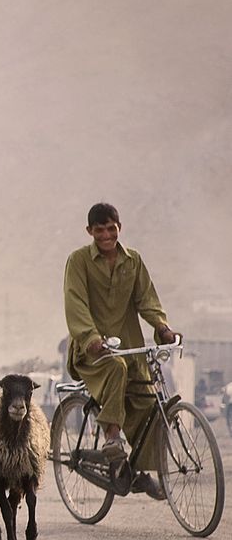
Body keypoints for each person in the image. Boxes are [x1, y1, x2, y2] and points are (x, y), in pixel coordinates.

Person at [63, 202, 177, 500]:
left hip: (130, 348)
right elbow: (75, 303)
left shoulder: (133, 260)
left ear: (119, 228)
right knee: (116, 368)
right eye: (99, 230)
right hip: (92, 354)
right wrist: (90, 338)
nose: (106, 235)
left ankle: (136, 471)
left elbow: (147, 300)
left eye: (111, 229)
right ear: (90, 231)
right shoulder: (78, 261)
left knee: (147, 400)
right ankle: (112, 438)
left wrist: (162, 328)